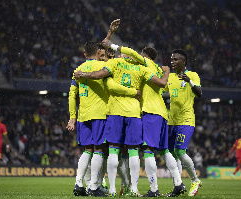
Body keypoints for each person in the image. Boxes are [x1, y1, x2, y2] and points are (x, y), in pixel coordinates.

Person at [102, 19, 186, 197]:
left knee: (147, 151)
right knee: (164, 150)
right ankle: (178, 183)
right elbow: (164, 87)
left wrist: (112, 43)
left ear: (144, 56)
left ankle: (154, 189)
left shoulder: (144, 64)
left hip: (149, 112)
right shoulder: (156, 67)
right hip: (163, 113)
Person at [73, 46, 170, 197]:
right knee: (133, 152)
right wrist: (166, 73)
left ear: (121, 55)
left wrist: (83, 74)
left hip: (115, 112)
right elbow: (161, 83)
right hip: (134, 113)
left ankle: (111, 189)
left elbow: (100, 76)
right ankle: (133, 188)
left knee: (113, 149)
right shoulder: (141, 68)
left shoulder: (114, 64)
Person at [67, 41, 138, 196]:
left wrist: (72, 116)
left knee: (87, 150)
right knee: (100, 149)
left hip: (83, 115)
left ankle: (78, 184)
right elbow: (112, 85)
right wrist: (133, 92)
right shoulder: (103, 68)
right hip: (100, 113)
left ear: (85, 54)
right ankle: (93, 186)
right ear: (98, 53)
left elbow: (72, 95)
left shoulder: (78, 70)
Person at [163, 49, 202, 197]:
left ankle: (195, 180)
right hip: (171, 121)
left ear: (183, 61)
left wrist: (189, 82)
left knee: (180, 151)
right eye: (171, 60)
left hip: (186, 120)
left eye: (175, 60)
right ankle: (178, 185)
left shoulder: (192, 75)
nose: (172, 62)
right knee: (172, 154)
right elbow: (161, 88)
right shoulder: (171, 77)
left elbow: (199, 94)